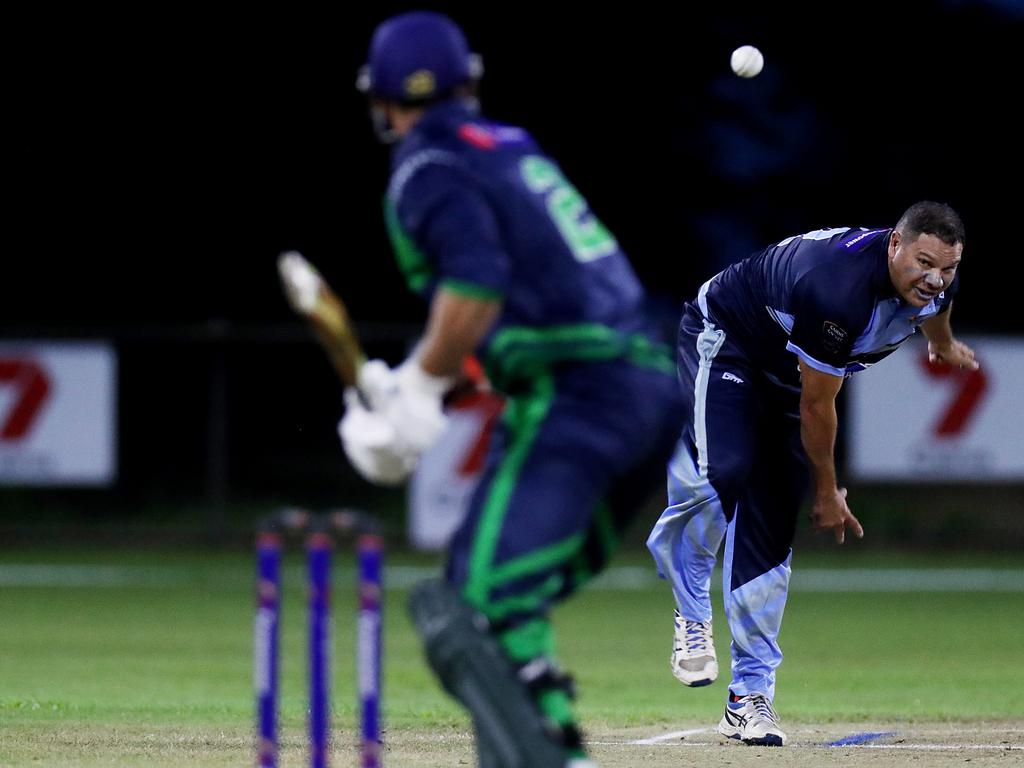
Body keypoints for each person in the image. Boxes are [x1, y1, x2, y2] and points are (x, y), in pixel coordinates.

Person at [339, 11, 685, 768]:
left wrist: (419, 390)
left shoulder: (427, 168)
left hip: (578, 395)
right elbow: (515, 307)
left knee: (469, 611)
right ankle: (558, 744)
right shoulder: (508, 148)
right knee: (500, 596)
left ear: (384, 100)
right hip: (650, 391)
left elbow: (475, 290)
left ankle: (550, 758)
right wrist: (409, 386)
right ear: (469, 81)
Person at [646, 201, 977, 746]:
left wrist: (940, 343)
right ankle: (691, 611)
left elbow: (938, 305)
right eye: (923, 262)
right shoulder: (837, 292)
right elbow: (818, 408)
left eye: (947, 267)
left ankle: (749, 696)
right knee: (724, 471)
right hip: (729, 344)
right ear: (894, 243)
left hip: (789, 382)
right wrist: (827, 491)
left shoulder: (935, 282)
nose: (934, 278)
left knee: (772, 532)